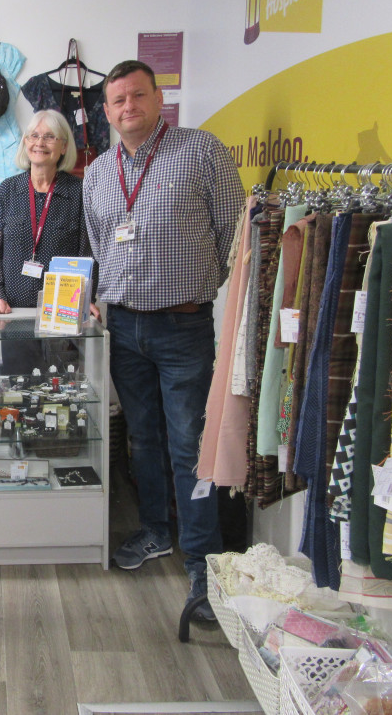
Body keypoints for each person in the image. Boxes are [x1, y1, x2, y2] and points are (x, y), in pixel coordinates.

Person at [83, 60, 243, 622]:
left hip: (182, 327)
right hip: (123, 328)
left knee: (188, 445)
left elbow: (231, 235)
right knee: (143, 442)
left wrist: (195, 290)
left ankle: (203, 566)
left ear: (159, 98)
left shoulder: (202, 152)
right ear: (106, 111)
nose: (128, 107)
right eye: (117, 100)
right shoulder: (99, 171)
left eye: (138, 96)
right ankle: (155, 530)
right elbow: (102, 244)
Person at [0, 109, 100, 374]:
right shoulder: (9, 190)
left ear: (64, 145)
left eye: (49, 137)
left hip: (63, 315)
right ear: (25, 142)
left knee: (63, 394)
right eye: (33, 135)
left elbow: (88, 252)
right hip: (16, 318)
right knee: (21, 392)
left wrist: (87, 296)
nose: (40, 143)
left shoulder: (78, 191)